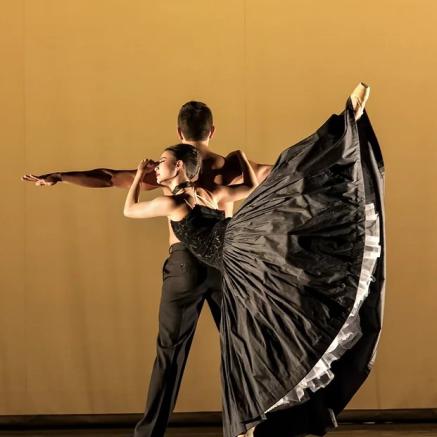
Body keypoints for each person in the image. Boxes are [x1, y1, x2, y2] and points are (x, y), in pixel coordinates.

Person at [123, 83, 386, 437]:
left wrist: (136, 176)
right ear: (210, 132)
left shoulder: (169, 202)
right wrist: (243, 159)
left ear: (181, 160)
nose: (157, 168)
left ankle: (342, 128)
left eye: (162, 164)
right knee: (246, 342)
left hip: (207, 261)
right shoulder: (209, 193)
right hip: (229, 262)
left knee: (190, 349)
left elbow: (126, 204)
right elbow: (254, 185)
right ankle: (342, 128)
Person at [22, 101, 272, 437]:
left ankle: (149, 434)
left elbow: (109, 178)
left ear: (179, 133)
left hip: (183, 266)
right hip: (221, 265)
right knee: (239, 345)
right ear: (212, 132)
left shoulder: (170, 169)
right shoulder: (228, 168)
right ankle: (249, 425)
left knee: (169, 353)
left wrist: (61, 176)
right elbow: (274, 173)